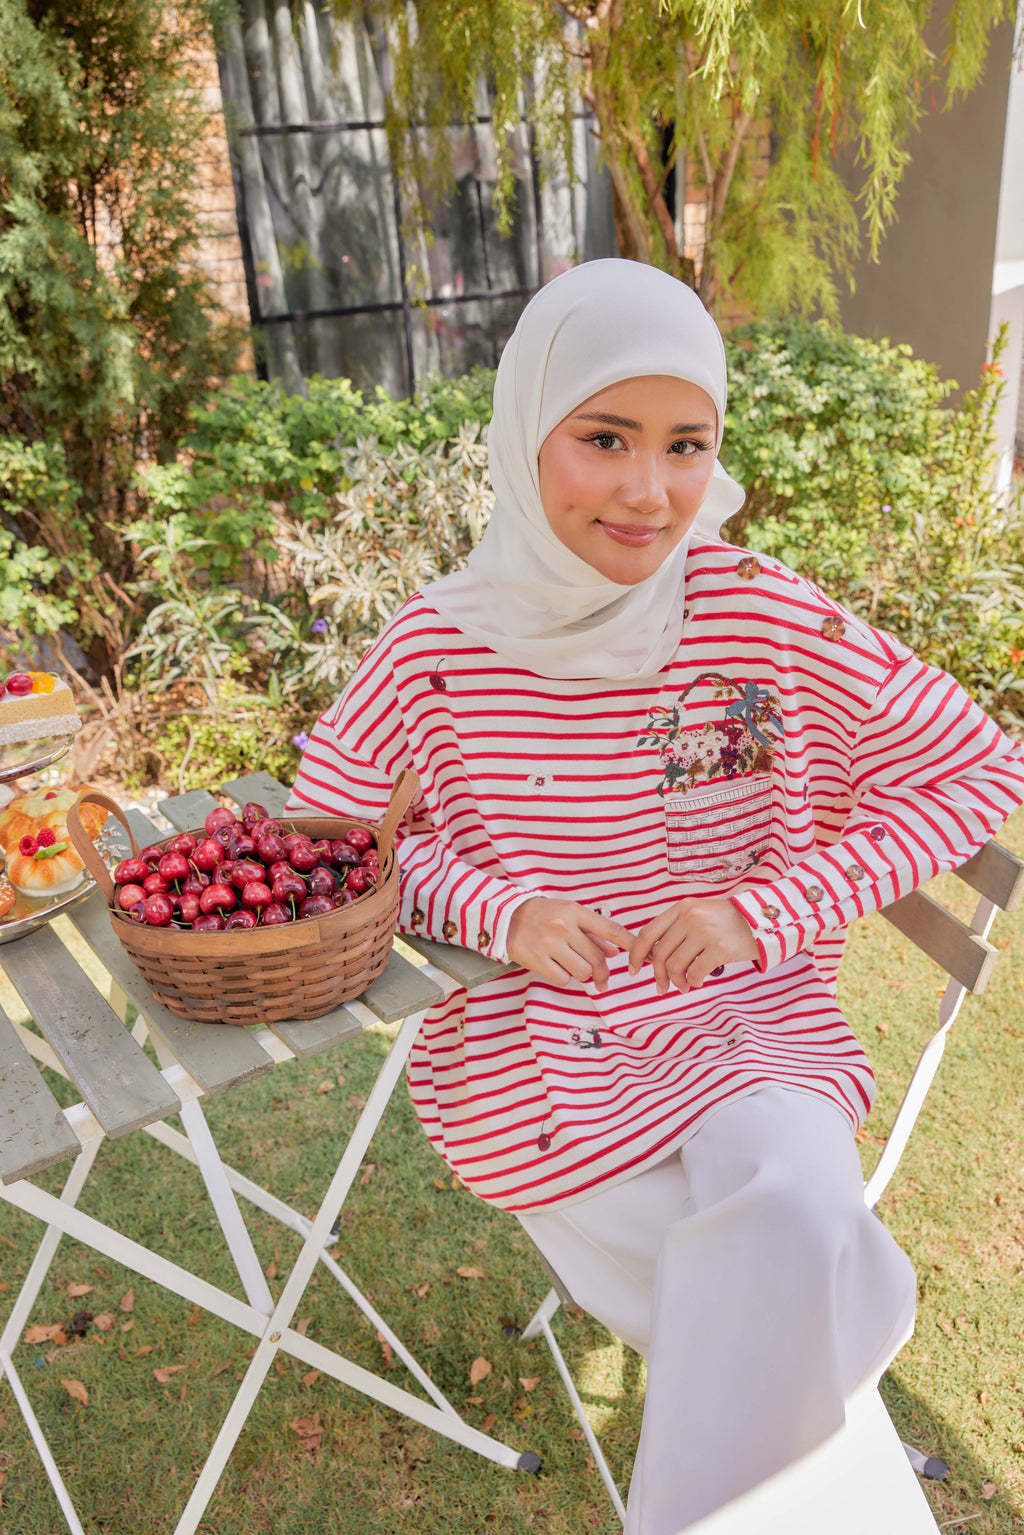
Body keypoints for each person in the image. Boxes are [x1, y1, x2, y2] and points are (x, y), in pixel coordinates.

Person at [286, 259, 1024, 1533]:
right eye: (605, 438)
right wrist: (493, 908)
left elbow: (979, 769)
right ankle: (840, 1395)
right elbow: (330, 847)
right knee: (797, 1276)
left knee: (791, 1202)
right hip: (538, 1057)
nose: (649, 490)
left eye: (688, 444)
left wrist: (767, 908)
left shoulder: (759, 610)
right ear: (530, 435)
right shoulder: (436, 645)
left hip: (747, 1022)